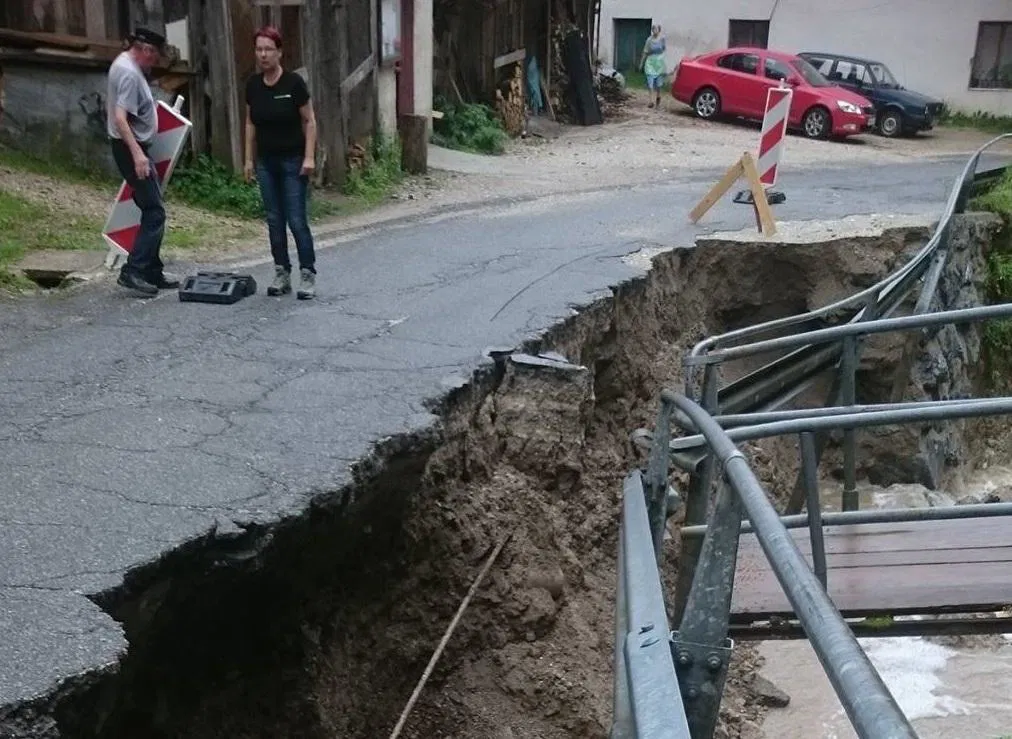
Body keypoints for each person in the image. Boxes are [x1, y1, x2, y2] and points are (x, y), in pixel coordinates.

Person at [244, 26, 319, 300]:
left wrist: (309, 156)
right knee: (274, 220)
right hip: (266, 162)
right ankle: (281, 272)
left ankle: (308, 273)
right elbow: (250, 123)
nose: (263, 55)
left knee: (296, 220)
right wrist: (248, 160)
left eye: (268, 50)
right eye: (259, 49)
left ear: (279, 53)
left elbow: (310, 121)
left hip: (292, 161)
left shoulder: (293, 85)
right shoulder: (253, 85)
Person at [107, 27, 177, 296]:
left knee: (153, 206)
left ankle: (151, 271)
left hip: (133, 147)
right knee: (154, 211)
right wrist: (137, 154)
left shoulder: (128, 65)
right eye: (155, 57)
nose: (155, 62)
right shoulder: (127, 73)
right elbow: (120, 119)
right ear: (146, 50)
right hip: (130, 149)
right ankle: (133, 270)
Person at [639, 24, 667, 109]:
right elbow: (645, 51)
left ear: (659, 30)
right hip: (650, 61)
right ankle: (650, 101)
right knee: (650, 80)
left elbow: (664, 49)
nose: (655, 31)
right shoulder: (649, 40)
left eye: (656, 29)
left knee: (658, 84)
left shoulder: (662, 39)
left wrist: (663, 60)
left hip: (659, 62)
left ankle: (658, 98)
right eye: (653, 29)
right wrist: (641, 63)